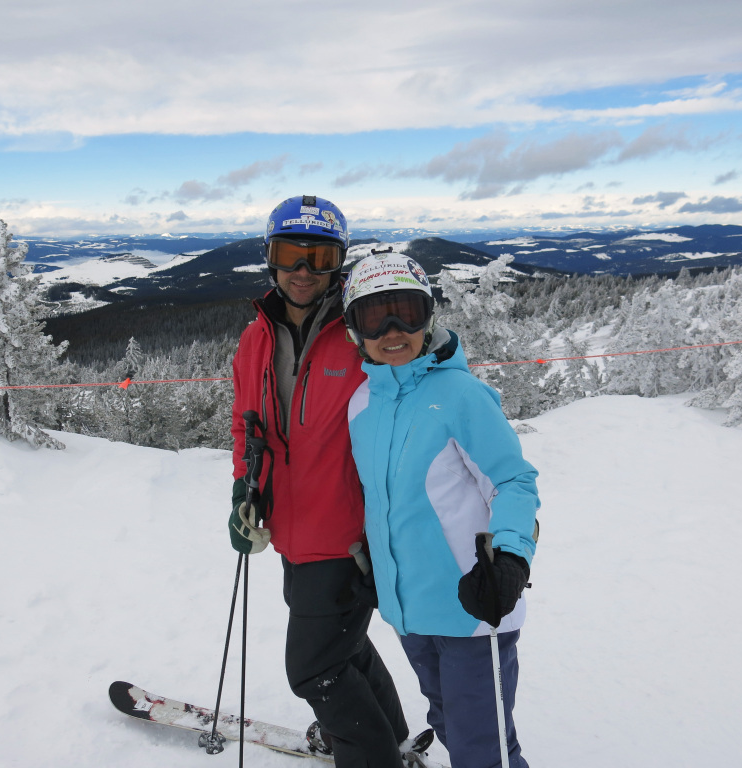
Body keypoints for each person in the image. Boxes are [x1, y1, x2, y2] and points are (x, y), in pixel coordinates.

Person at [228, 196, 428, 767]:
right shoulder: (256, 340)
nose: (303, 270)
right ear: (270, 257)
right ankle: (391, 743)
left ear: (338, 264)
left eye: (320, 257)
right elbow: (248, 426)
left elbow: (420, 401)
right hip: (290, 529)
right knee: (344, 649)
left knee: (315, 667)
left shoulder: (363, 334)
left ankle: (370, 757)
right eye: (290, 253)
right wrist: (244, 489)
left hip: (349, 535)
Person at [342, 249, 541, 768]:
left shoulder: (461, 395)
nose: (392, 330)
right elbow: (383, 500)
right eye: (373, 315)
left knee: (484, 749)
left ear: (428, 317)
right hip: (412, 613)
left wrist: (512, 560)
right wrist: (379, 570)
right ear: (353, 327)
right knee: (450, 723)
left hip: (474, 610)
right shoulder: (362, 405)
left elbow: (514, 482)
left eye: (406, 312)